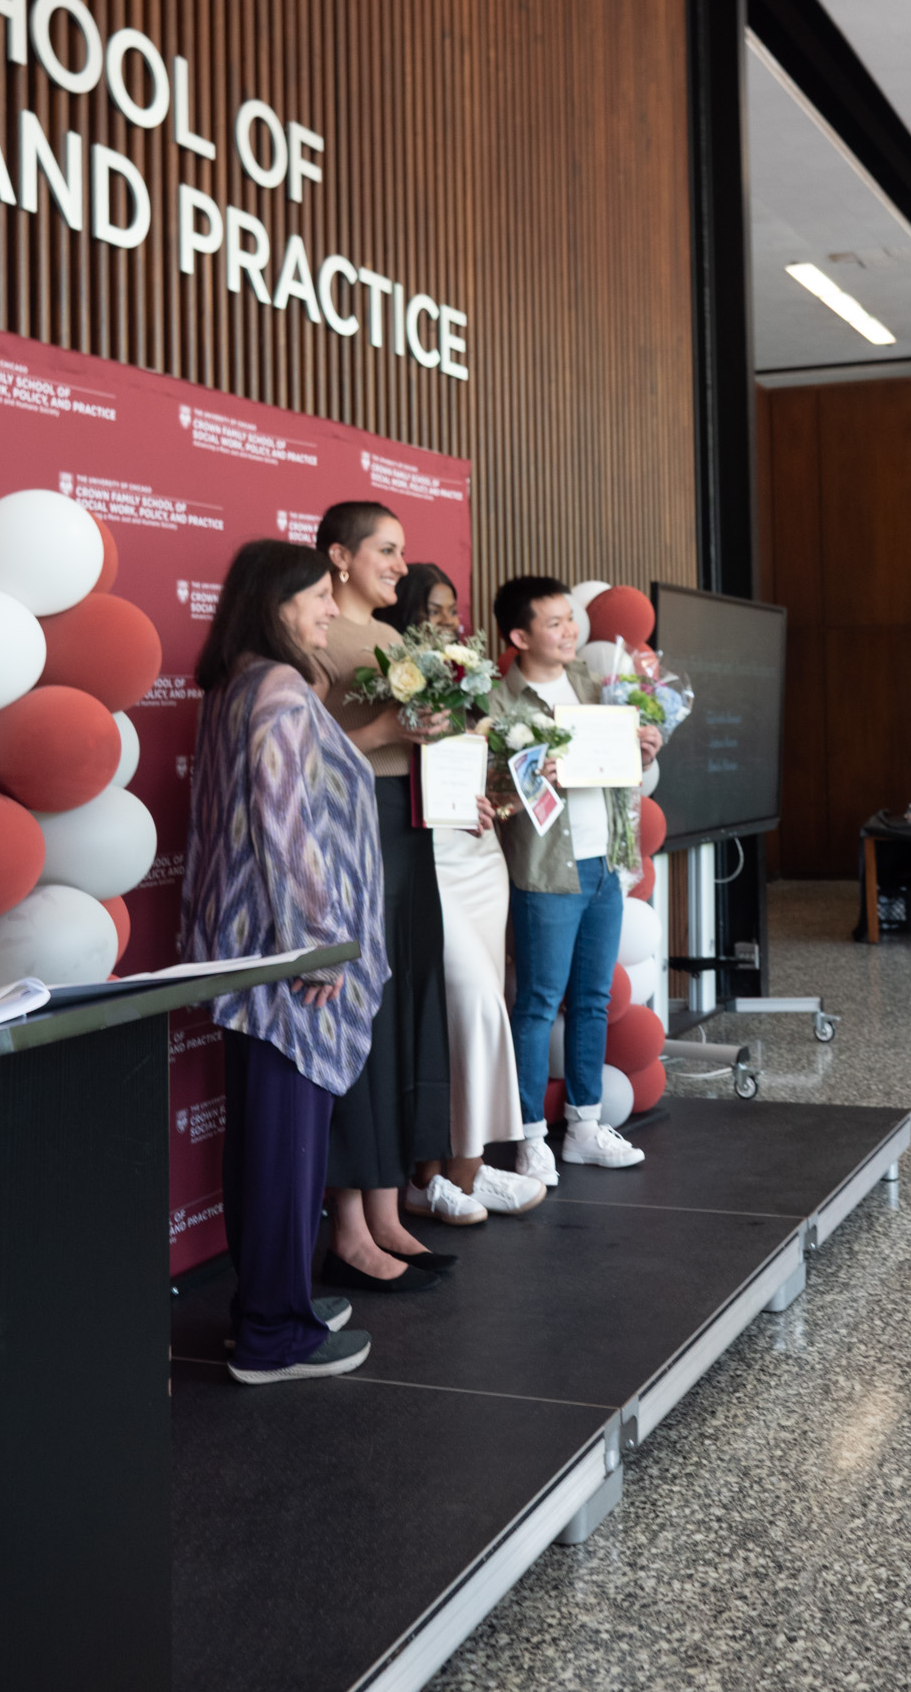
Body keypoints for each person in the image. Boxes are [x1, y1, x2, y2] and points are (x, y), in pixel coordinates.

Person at [181, 540, 387, 1384]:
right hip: (286, 962)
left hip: (252, 958)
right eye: (315, 597)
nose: (330, 609)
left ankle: (273, 1301)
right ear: (277, 602)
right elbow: (284, 824)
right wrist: (319, 939)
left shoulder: (239, 683)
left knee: (268, 1143)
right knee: (282, 1149)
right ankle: (274, 1332)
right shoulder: (278, 690)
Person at [316, 501, 476, 1288]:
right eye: (386, 550)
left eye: (403, 551)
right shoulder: (316, 640)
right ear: (339, 558)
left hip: (408, 826)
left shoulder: (388, 640)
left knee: (406, 1004)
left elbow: (416, 744)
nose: (400, 566)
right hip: (357, 827)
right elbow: (300, 762)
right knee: (362, 1017)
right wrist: (388, 734)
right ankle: (348, 1228)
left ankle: (387, 1212)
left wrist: (461, 783)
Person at [489, 576, 661, 1183]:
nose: (571, 631)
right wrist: (533, 778)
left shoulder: (592, 685)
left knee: (592, 999)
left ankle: (585, 1126)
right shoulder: (499, 702)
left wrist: (639, 749)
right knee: (536, 1004)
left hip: (604, 864)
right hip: (546, 870)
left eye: (571, 619)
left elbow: (616, 768)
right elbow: (488, 797)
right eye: (555, 623)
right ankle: (530, 1136)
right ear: (519, 636)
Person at [391, 564, 544, 1218]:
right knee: (468, 1003)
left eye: (452, 610)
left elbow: (485, 778)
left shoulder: (470, 683)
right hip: (428, 859)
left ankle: (470, 1170)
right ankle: (426, 1178)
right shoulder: (387, 682)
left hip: (481, 859)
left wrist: (512, 791)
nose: (447, 622)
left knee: (489, 1004)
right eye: (433, 609)